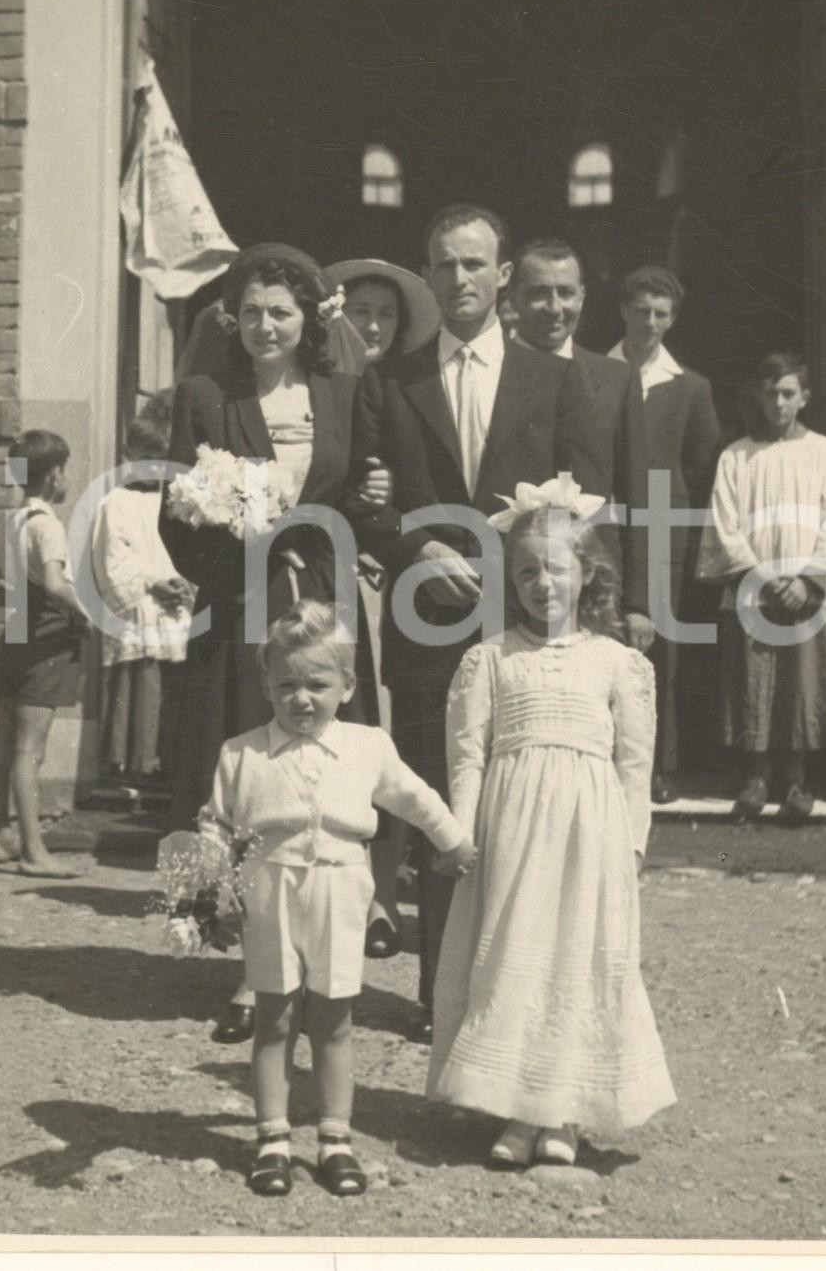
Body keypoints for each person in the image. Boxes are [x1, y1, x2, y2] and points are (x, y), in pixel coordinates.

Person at [350, 203, 612, 1041]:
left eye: (474, 264)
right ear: (425, 274)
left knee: (529, 816)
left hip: (528, 631)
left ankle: (521, 999)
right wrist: (413, 545)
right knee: (439, 810)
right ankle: (443, 995)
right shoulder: (393, 378)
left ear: (504, 277)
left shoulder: (553, 377)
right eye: (443, 264)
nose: (458, 279)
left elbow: (589, 504)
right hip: (428, 627)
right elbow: (360, 501)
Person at [159, 242, 391, 1046]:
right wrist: (249, 549)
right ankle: (248, 968)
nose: (266, 326)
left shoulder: (340, 389)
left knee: (314, 769)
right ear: (234, 318)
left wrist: (370, 495)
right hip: (239, 603)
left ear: (307, 320)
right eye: (251, 311)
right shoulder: (203, 394)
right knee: (246, 774)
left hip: (319, 598)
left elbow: (358, 493)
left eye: (281, 312)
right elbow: (176, 516)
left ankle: (313, 953)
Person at [426, 480, 676, 1166]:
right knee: (514, 954)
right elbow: (468, 755)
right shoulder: (489, 659)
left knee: (577, 957)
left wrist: (631, 841)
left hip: (589, 833)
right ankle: (513, 1108)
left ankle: (561, 1112)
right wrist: (462, 831)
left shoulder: (618, 662)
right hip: (512, 833)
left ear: (587, 571)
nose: (542, 583)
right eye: (528, 570)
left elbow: (634, 762)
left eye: (556, 569)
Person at [196, 601, 476, 1197]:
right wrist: (212, 888)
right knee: (274, 1018)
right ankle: (272, 1140)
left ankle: (334, 1139)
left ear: (347, 686)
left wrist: (454, 841)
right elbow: (215, 827)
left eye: (317, 685)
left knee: (334, 1020)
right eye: (287, 685)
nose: (302, 699)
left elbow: (415, 797)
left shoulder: (367, 745)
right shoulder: (240, 754)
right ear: (267, 685)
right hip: (270, 889)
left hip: (341, 889)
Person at [324, 258, 442, 959]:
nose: (371, 325)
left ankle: (385, 896)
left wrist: (387, 510)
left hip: (392, 578)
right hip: (331, 572)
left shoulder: (407, 390)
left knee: (389, 737)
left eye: (385, 315)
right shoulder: (319, 385)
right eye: (360, 310)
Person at [695, 351, 826, 825]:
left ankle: (796, 780)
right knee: (752, 683)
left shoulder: (822, 452)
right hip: (755, 590)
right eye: (770, 392)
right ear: (757, 395)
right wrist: (764, 580)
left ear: (803, 398)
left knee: (802, 683)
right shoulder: (737, 456)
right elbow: (725, 525)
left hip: (806, 595)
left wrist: (807, 580)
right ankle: (755, 778)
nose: (778, 402)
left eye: (788, 392)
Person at [609, 266, 721, 804]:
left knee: (660, 652)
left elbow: (702, 466)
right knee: (602, 640)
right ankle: (605, 759)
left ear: (672, 319)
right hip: (605, 525)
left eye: (661, 313)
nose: (650, 321)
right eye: (642, 309)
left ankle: (657, 765)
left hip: (662, 531)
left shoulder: (690, 386)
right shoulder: (593, 370)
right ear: (623, 310)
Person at [507, 238, 652, 649]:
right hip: (511, 587)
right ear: (513, 296)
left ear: (583, 296)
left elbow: (637, 496)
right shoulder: (492, 375)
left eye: (566, 292)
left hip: (594, 585)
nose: (555, 307)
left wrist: (639, 603)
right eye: (538, 293)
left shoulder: (615, 378)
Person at [0, 430, 91, 878]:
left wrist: (23, 599)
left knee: (5, 744)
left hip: (14, 642)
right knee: (30, 750)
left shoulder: (13, 521)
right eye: (65, 470)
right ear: (54, 474)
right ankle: (33, 851)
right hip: (46, 646)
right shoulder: (48, 525)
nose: (67, 478)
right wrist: (86, 617)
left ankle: (2, 840)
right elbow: (58, 585)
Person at [92, 396, 194, 785]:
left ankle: (171, 765)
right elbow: (114, 560)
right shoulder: (115, 502)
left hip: (177, 608)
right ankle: (133, 766)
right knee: (142, 683)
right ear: (128, 454)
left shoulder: (177, 501)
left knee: (177, 688)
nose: (153, 466)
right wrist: (152, 583)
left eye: (162, 456)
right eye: (145, 456)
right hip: (141, 607)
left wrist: (185, 583)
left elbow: (187, 553)